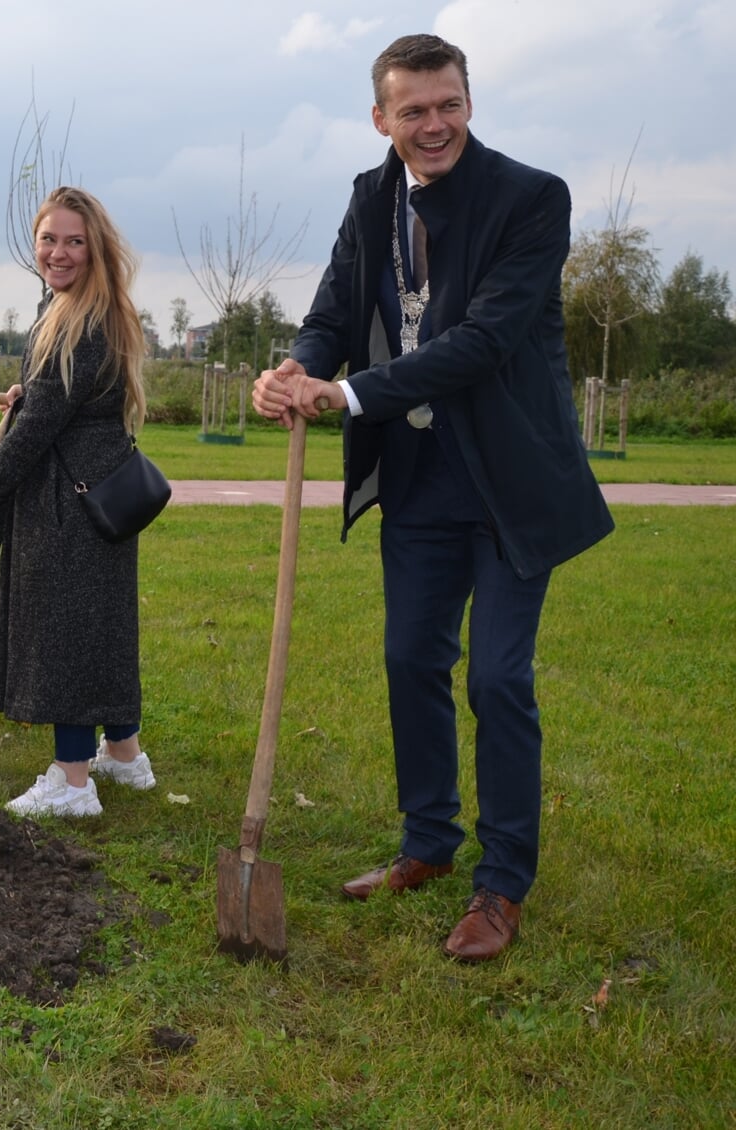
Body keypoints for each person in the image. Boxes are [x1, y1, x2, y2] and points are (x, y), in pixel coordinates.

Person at [251, 34, 613, 961]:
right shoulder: (371, 196)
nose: (434, 123)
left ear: (469, 103)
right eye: (412, 110)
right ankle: (427, 845)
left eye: (447, 104)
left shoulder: (532, 199)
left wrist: (351, 394)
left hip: (508, 483)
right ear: (382, 119)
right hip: (416, 482)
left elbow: (487, 338)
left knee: (497, 678)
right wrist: (299, 364)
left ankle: (501, 886)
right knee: (411, 660)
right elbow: (335, 309)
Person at [0, 187, 157, 818]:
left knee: (66, 634)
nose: (58, 252)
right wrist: (31, 392)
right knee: (101, 627)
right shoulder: (79, 309)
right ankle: (122, 756)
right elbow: (57, 402)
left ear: (95, 249)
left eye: (73, 241)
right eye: (48, 239)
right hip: (95, 495)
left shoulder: (83, 322)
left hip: (71, 503)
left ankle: (72, 783)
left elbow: (38, 432)